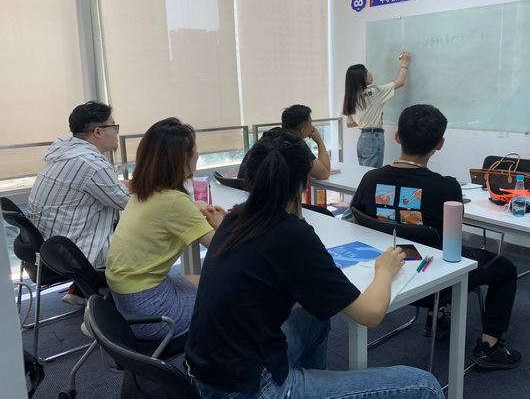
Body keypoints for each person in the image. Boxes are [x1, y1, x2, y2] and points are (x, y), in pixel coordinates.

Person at [185, 129, 443, 399]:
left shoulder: (234, 218)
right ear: (305, 182)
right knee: (425, 386)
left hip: (205, 374)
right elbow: (371, 315)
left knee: (312, 318)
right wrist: (384, 270)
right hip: (250, 388)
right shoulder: (291, 234)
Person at [351, 104, 522, 370]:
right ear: (439, 144)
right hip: (433, 276)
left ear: (397, 136)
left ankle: (437, 317)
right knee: (505, 268)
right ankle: (489, 346)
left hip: (383, 270)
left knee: (428, 243)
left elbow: (357, 222)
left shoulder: (370, 178)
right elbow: (451, 237)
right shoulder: (446, 186)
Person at [105, 118, 226, 340]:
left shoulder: (145, 192)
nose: (198, 153)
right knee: (231, 299)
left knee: (203, 281)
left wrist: (194, 206)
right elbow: (224, 248)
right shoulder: (174, 202)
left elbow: (169, 211)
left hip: (126, 301)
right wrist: (219, 223)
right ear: (182, 159)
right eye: (194, 148)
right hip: (151, 313)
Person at [27, 101, 130, 305]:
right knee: (146, 237)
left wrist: (141, 183)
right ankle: (131, 302)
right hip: (72, 253)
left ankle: (81, 290)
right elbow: (129, 204)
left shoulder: (66, 154)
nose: (116, 132)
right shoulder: (91, 163)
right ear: (98, 131)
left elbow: (108, 188)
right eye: (114, 126)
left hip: (50, 248)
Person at [342, 52, 410, 168]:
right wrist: (405, 62)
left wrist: (369, 117)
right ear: (360, 76)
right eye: (367, 72)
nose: (370, 74)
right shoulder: (374, 92)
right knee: (373, 174)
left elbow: (350, 124)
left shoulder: (351, 97)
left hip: (362, 139)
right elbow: (400, 82)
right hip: (373, 137)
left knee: (364, 172)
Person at [238, 104, 331, 180]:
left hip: (243, 190)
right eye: (310, 124)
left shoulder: (269, 135)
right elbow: (324, 174)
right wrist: (319, 141)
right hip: (263, 195)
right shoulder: (295, 144)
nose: (312, 127)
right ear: (303, 131)